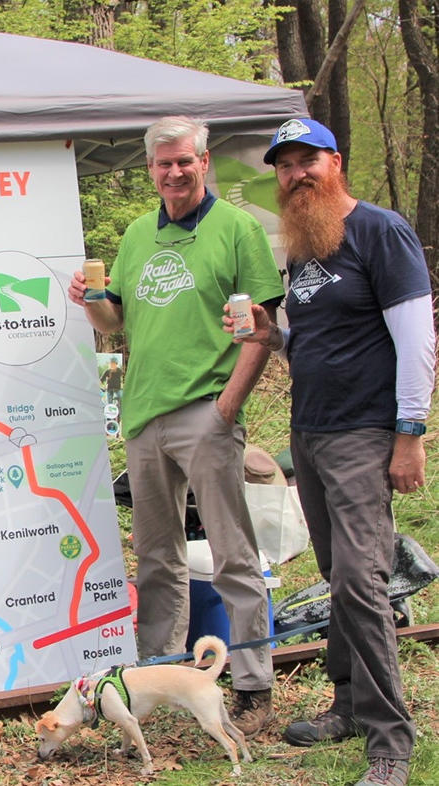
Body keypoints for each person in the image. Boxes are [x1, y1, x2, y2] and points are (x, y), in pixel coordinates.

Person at [224, 118, 434, 786]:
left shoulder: (380, 231)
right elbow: (316, 339)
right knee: (336, 574)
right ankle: (347, 704)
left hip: (363, 433)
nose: (296, 175)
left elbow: (416, 338)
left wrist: (410, 433)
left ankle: (390, 743)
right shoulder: (305, 248)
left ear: (335, 162)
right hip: (310, 432)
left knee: (361, 582)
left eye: (306, 161)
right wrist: (270, 334)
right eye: (285, 166)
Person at [69, 115, 284, 737]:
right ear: (151, 169)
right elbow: (114, 323)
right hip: (144, 415)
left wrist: (227, 406)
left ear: (204, 161)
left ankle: (252, 686)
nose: (175, 172)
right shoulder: (139, 234)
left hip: (205, 410)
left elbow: (263, 327)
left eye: (185, 160)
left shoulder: (238, 228)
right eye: (163, 163)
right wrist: (90, 299)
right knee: (157, 558)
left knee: (232, 554)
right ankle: (156, 680)